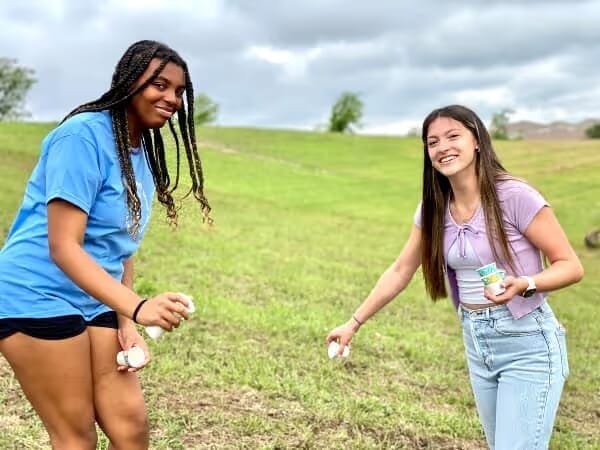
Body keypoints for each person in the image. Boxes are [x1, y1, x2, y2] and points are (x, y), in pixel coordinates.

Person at [326, 104, 584, 450]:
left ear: (476, 140)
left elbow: (570, 264)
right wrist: (353, 323)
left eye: (452, 136)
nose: (442, 147)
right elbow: (401, 269)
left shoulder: (515, 196)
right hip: (477, 343)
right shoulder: (433, 208)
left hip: (527, 343)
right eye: (433, 142)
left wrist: (525, 283)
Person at [0, 40, 211, 449]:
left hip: (94, 298)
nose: (171, 99)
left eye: (179, 91)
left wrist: (126, 324)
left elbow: (121, 249)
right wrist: (139, 306)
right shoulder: (81, 137)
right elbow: (64, 246)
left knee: (130, 430)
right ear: (130, 82)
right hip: (34, 293)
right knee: (77, 438)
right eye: (159, 85)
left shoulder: (142, 154)